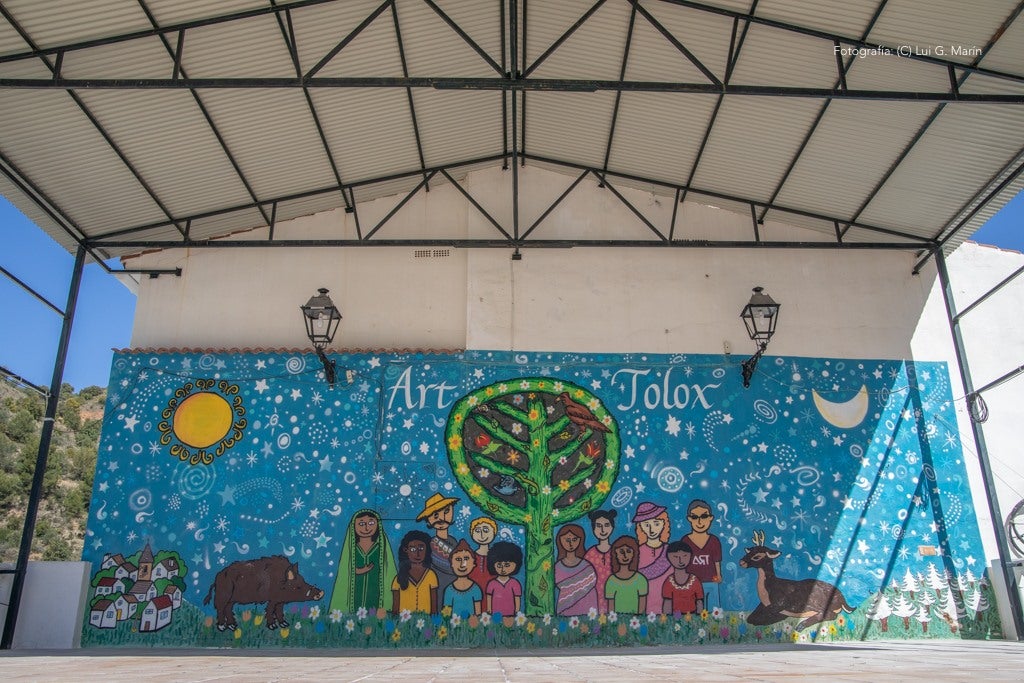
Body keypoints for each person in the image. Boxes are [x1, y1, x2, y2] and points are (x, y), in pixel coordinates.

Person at [329, 509, 398, 614]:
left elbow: (388, 570)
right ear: (354, 526)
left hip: (376, 592)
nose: (366, 528)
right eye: (361, 524)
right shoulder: (351, 549)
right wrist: (356, 571)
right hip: (356, 592)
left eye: (371, 523)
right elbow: (345, 569)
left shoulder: (381, 548)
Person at [416, 493, 462, 598]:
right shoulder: (431, 544)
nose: (441, 519)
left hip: (455, 586)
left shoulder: (454, 542)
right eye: (435, 515)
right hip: (437, 585)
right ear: (428, 520)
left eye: (446, 511)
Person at [682, 498, 722, 608]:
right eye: (695, 517)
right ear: (689, 519)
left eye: (704, 516)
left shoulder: (714, 541)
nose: (699, 522)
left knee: (713, 610)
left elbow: (716, 560)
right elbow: (682, 562)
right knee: (692, 610)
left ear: (710, 518)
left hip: (711, 581)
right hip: (691, 582)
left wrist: (718, 575)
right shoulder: (685, 540)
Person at [633, 501, 672, 612]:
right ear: (640, 527)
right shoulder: (636, 553)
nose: (651, 529)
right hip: (643, 606)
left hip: (668, 606)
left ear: (664, 523)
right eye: (646, 525)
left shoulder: (670, 552)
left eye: (656, 523)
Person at [554, 523, 599, 616]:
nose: (571, 543)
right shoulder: (557, 567)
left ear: (580, 540)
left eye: (574, 539)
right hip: (565, 609)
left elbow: (591, 589)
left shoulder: (586, 566)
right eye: (567, 540)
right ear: (560, 541)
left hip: (587, 609)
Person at [391, 530, 438, 615]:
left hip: (425, 622)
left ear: (426, 549)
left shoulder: (431, 575)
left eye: (421, 548)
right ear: (406, 550)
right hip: (404, 623)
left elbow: (434, 608)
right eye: (413, 549)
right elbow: (395, 608)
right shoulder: (399, 577)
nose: (417, 553)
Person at [604, 535, 648, 614]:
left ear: (634, 554)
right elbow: (610, 610)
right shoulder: (611, 581)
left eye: (628, 551)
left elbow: (642, 610)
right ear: (615, 554)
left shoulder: (641, 579)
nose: (625, 555)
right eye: (621, 552)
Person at [583, 509, 616, 613]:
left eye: (606, 525)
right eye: (598, 526)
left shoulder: (617, 551)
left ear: (612, 527)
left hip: (615, 595)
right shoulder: (590, 554)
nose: (602, 530)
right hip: (594, 597)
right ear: (593, 529)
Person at [662, 539, 704, 616]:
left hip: (692, 616)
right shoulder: (669, 581)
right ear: (669, 558)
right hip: (675, 616)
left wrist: (699, 618)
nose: (680, 561)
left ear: (690, 556)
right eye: (675, 557)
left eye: (685, 556)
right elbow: (667, 603)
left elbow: (699, 601)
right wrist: (666, 620)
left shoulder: (694, 580)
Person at [442, 539, 483, 617]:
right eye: (458, 559)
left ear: (473, 564)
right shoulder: (449, 590)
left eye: (466, 559)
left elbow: (478, 614)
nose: (462, 565)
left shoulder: (476, 589)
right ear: (452, 564)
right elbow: (446, 615)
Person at [484, 541, 523, 616]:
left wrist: (517, 611)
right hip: (495, 615)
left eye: (507, 565)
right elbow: (489, 598)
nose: (503, 569)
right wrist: (489, 610)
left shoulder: (515, 583)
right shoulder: (492, 584)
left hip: (511, 615)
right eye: (499, 565)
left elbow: (517, 598)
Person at [468, 517, 497, 592]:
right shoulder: (471, 556)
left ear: (494, 532)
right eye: (477, 530)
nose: (482, 534)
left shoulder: (496, 556)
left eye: (486, 530)